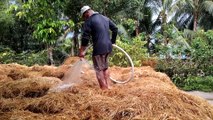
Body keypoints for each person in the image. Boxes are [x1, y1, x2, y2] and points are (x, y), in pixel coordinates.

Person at [78, 6, 118, 90]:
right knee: (105, 67)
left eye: (84, 16)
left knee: (99, 70)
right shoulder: (105, 18)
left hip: (99, 48)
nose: (85, 19)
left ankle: (104, 89)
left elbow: (85, 38)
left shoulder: (89, 21)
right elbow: (115, 28)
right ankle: (108, 87)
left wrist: (82, 51)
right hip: (108, 47)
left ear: (87, 13)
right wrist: (112, 41)